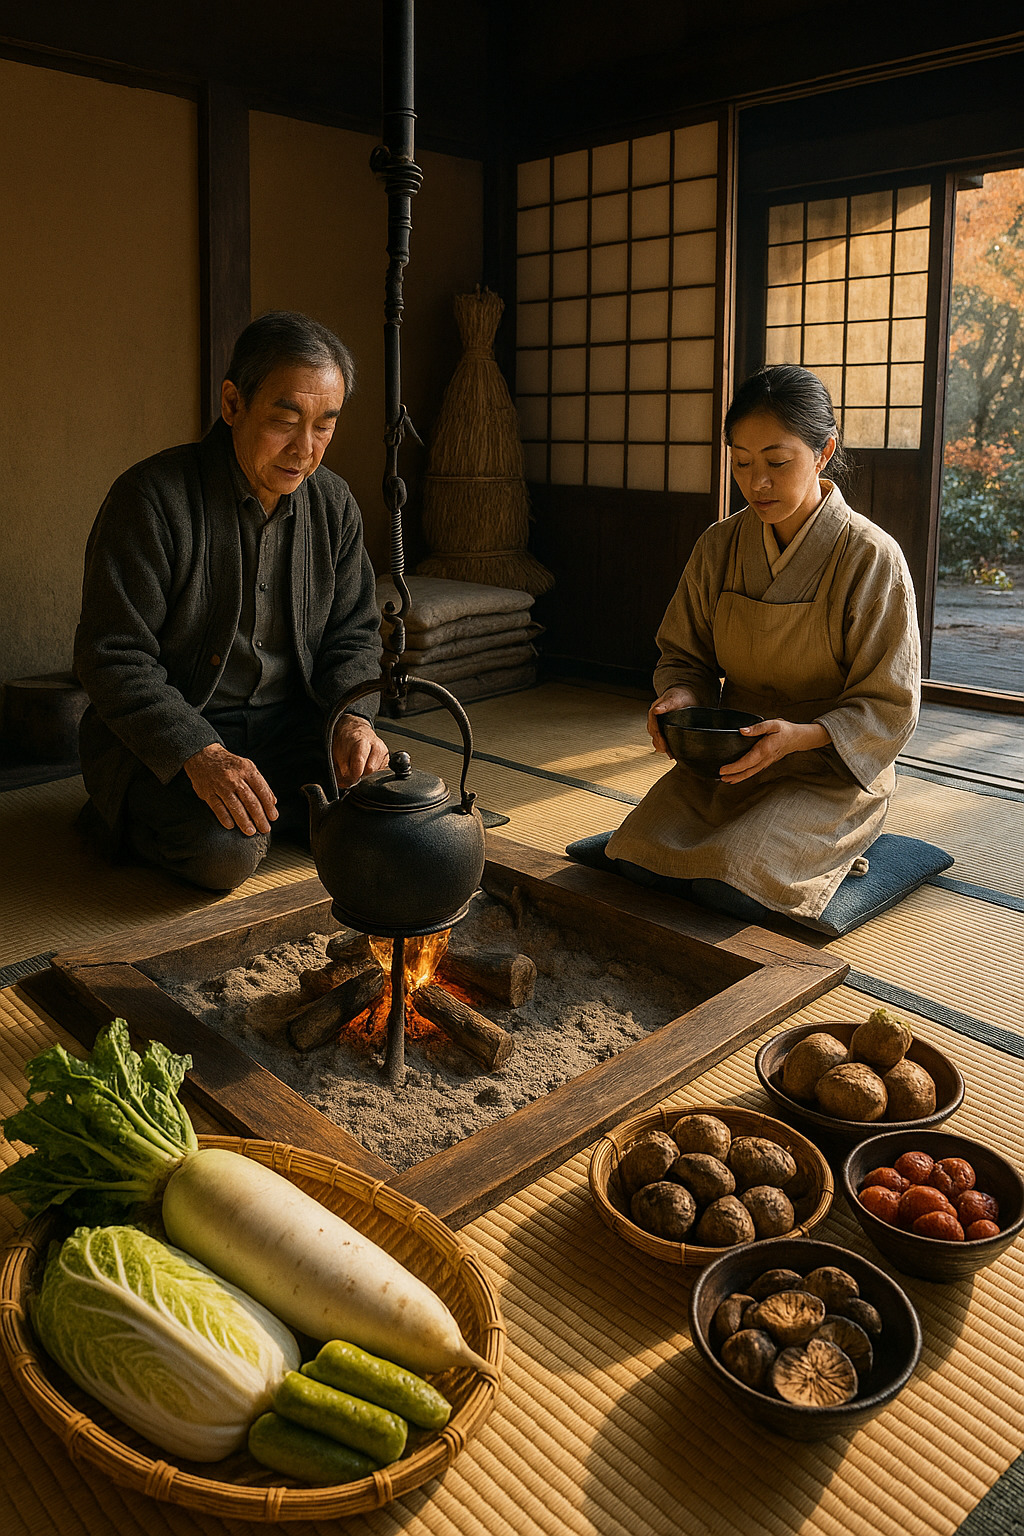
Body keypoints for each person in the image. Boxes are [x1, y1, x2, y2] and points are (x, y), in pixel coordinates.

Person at [74, 310, 390, 892]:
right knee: (225, 851)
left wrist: (351, 720)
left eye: (325, 424)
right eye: (286, 419)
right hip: (174, 733)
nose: (305, 448)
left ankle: (280, 810)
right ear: (232, 403)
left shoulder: (334, 504)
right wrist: (199, 751)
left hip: (291, 729)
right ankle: (123, 813)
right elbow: (111, 656)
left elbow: (354, 634)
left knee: (396, 810)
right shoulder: (151, 498)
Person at [604, 363, 921, 926]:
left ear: (824, 452)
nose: (757, 483)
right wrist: (680, 697)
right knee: (637, 857)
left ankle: (844, 844)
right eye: (742, 463)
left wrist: (800, 737)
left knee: (734, 881)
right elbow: (685, 654)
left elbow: (889, 704)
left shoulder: (871, 557)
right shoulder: (719, 545)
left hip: (827, 765)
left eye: (777, 462)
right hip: (730, 758)